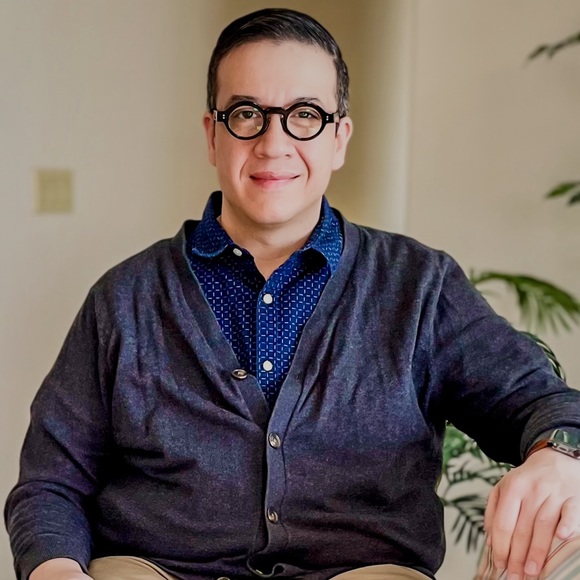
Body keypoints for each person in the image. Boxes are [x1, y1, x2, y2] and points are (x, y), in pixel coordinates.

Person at [5, 8, 580, 580]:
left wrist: (559, 455)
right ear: (212, 135)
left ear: (340, 139)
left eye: (305, 114)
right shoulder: (124, 298)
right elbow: (51, 482)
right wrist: (57, 572)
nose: (273, 142)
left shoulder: (419, 286)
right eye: (246, 114)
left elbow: (540, 402)